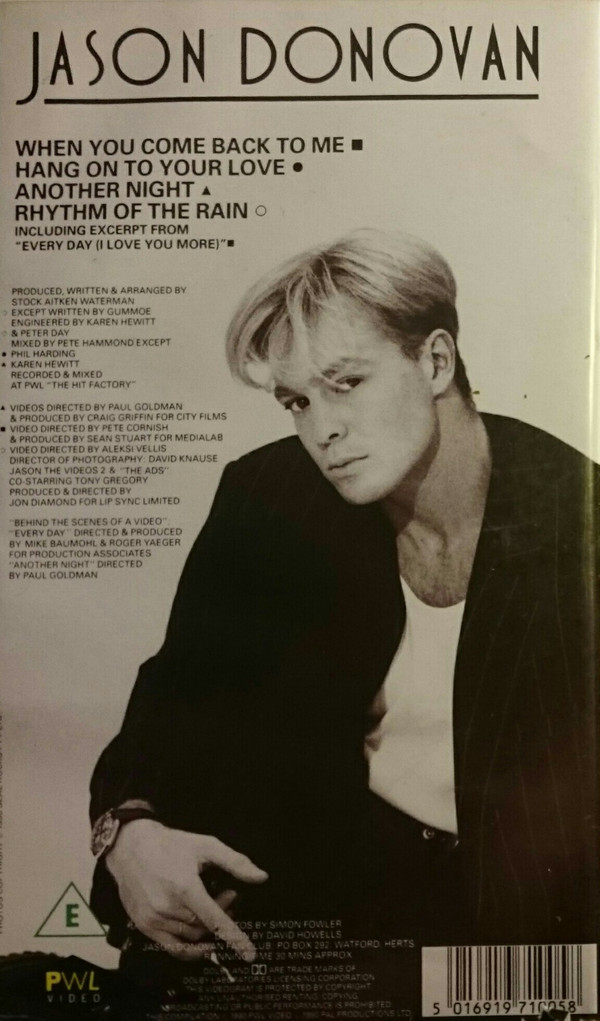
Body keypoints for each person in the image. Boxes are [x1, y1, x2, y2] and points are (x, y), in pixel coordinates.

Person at [90, 230, 598, 973]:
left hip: (519, 930)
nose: (322, 429)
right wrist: (129, 834)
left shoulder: (579, 531)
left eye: (347, 382)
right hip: (324, 900)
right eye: (297, 400)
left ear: (435, 361)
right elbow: (172, 704)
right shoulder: (271, 496)